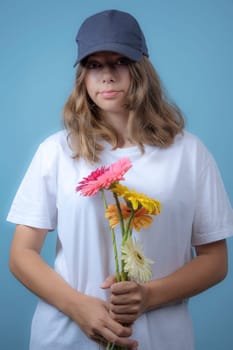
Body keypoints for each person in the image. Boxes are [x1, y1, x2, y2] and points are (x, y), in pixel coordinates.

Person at [7, 9, 233, 350]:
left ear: (141, 68)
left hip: (159, 341)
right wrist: (78, 306)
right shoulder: (56, 152)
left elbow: (215, 261)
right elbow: (21, 254)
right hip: (65, 339)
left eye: (119, 62)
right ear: (82, 76)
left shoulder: (189, 153)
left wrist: (148, 296)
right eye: (94, 65)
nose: (107, 76)